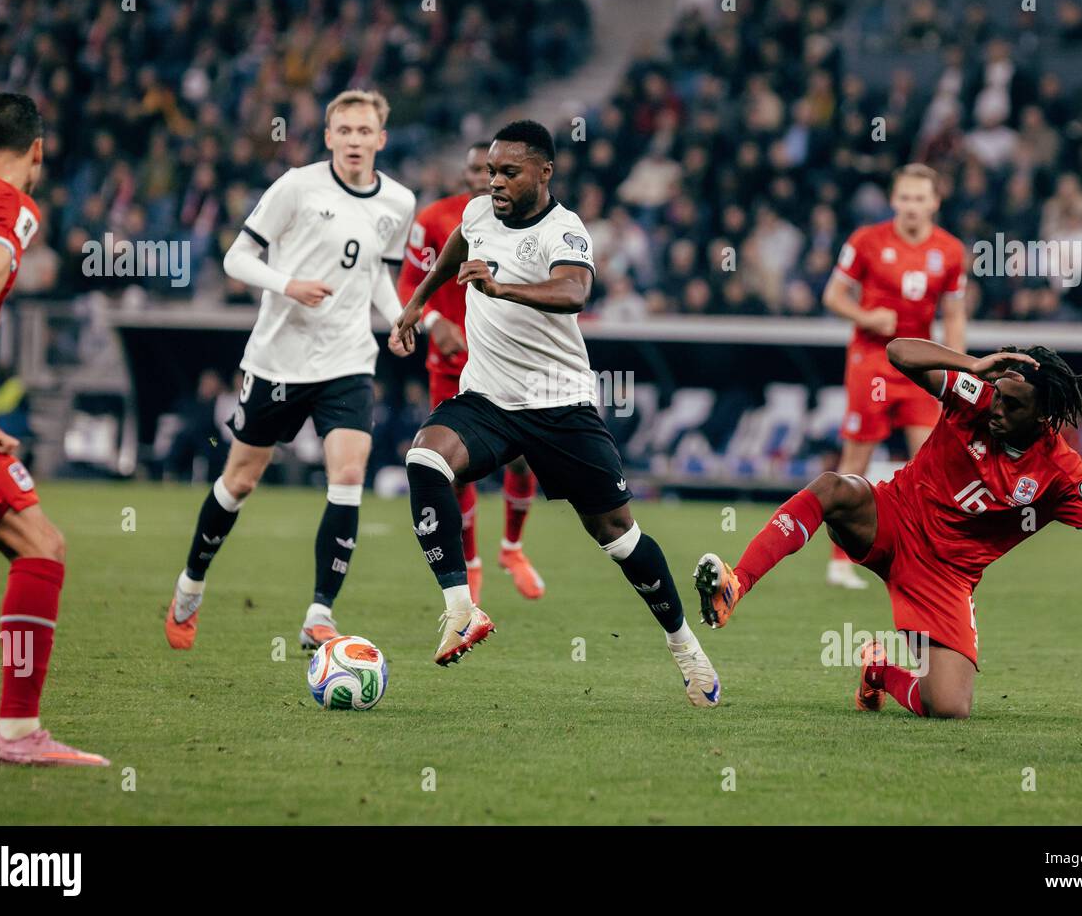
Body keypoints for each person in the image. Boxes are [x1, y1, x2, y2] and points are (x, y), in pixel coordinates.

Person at [390, 120, 720, 707]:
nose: (495, 182)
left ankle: (686, 648)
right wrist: (415, 306)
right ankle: (461, 609)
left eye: (509, 172)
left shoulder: (564, 230)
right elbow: (455, 252)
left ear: (544, 172)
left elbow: (574, 292)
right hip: (488, 399)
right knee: (424, 459)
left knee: (617, 535)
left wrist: (502, 289)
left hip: (558, 403)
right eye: (491, 170)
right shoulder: (476, 215)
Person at [695, 338, 1082, 719]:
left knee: (949, 707)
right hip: (892, 518)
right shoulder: (977, 395)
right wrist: (973, 364)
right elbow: (898, 352)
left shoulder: (1064, 472)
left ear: (1043, 415)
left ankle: (880, 669)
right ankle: (737, 583)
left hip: (944, 578)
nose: (997, 409)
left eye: (1012, 405)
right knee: (832, 489)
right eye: (999, 397)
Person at [165, 90, 415, 651]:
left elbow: (379, 274)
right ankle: (191, 583)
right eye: (344, 130)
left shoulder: (398, 202)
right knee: (241, 480)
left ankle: (319, 613)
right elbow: (236, 257)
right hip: (279, 358)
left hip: (349, 359)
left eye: (364, 131)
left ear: (381, 138)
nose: (354, 140)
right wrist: (288, 284)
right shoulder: (297, 186)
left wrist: (397, 318)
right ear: (328, 137)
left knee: (348, 475)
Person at [0, 92, 107, 766]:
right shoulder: (14, 206)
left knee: (40, 540)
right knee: (41, 544)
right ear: (38, 150)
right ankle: (16, 732)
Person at [397, 141, 545, 605]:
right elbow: (408, 279)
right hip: (451, 364)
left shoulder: (532, 224)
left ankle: (512, 550)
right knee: (455, 470)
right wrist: (434, 322)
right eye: (479, 169)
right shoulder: (437, 219)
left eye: (498, 170)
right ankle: (472, 564)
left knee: (525, 458)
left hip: (510, 363)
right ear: (466, 174)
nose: (486, 179)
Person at [821, 163, 967, 589]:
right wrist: (865, 315)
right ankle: (839, 561)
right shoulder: (866, 240)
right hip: (871, 361)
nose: (912, 207)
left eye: (920, 198)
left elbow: (954, 316)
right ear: (893, 200)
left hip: (920, 365)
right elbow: (832, 295)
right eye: (905, 197)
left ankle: (927, 556)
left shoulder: (952, 252)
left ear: (935, 202)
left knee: (931, 462)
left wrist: (956, 369)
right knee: (856, 461)